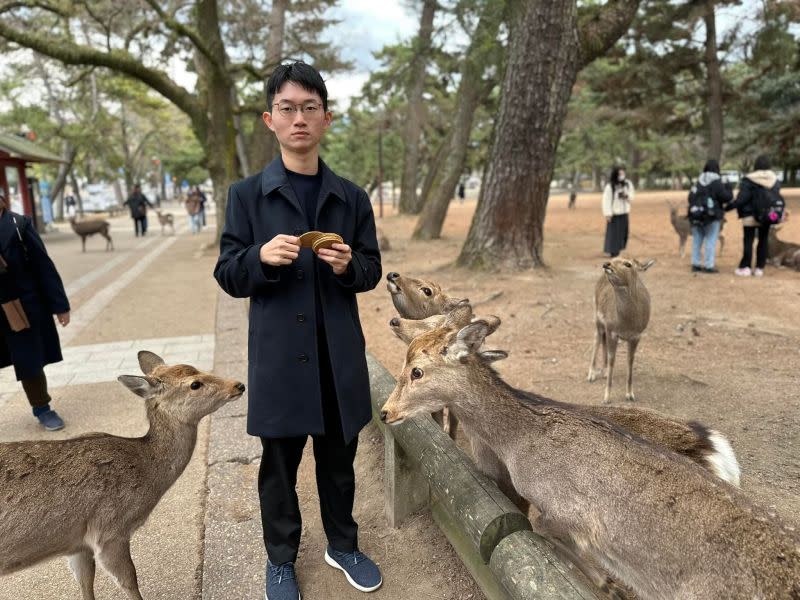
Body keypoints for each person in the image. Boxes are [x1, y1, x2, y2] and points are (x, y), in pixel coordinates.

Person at [213, 62, 383, 600]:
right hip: (280, 359)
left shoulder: (351, 197)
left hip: (337, 358)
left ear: (327, 118)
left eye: (310, 108)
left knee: (339, 462)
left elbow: (372, 270)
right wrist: (258, 257)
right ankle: (280, 560)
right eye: (288, 108)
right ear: (270, 119)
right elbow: (228, 273)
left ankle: (343, 545)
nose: (299, 118)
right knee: (278, 468)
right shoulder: (247, 195)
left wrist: (348, 265)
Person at [0, 189, 70, 431]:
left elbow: (43, 266)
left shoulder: (19, 224)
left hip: (23, 305)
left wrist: (60, 306)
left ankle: (42, 408)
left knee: (28, 359)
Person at [727, 155, 782, 277]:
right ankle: (759, 268)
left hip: (749, 215)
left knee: (748, 240)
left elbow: (742, 199)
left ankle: (746, 267)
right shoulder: (775, 181)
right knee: (763, 241)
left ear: (755, 165)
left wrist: (729, 207)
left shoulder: (748, 180)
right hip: (768, 215)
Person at [688, 159, 733, 274]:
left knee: (697, 240)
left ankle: (695, 264)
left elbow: (690, 198)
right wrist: (728, 186)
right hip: (712, 216)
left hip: (696, 215)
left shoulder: (698, 181)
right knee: (710, 240)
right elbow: (726, 197)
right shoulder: (717, 182)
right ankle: (708, 265)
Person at [602, 166, 634, 257]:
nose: (622, 175)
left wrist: (626, 196)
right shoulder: (610, 186)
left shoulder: (628, 184)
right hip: (614, 213)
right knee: (614, 234)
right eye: (620, 174)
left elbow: (632, 197)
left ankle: (619, 248)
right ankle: (613, 251)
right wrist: (607, 213)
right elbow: (606, 200)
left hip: (624, 212)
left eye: (623, 173)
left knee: (623, 233)